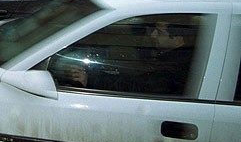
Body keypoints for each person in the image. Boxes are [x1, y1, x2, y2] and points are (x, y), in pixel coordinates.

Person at [60, 21, 191, 95]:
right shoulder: (170, 59)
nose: (153, 35)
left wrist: (90, 79)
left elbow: (135, 85)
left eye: (160, 32)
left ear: (178, 40)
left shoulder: (174, 68)